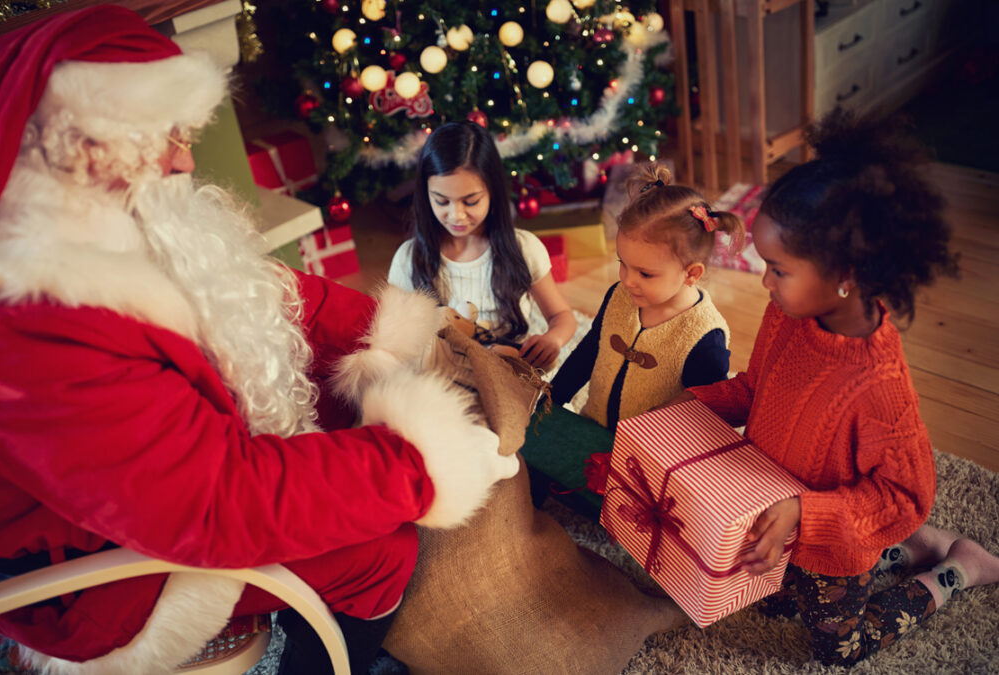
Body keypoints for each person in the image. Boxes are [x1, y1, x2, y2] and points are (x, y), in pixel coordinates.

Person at [0, 7, 518, 675]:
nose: (187, 156)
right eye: (167, 136)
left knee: (336, 416)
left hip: (125, 488)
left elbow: (257, 291)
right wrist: (424, 461)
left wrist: (393, 336)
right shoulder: (24, 331)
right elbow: (218, 501)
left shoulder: (69, 218)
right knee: (382, 549)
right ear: (86, 144)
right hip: (89, 580)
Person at [669, 109, 999, 666]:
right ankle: (899, 547)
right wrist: (690, 410)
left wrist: (805, 512)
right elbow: (758, 389)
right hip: (774, 503)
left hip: (830, 540)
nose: (764, 280)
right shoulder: (788, 315)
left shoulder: (879, 386)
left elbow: (903, 495)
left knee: (836, 648)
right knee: (764, 599)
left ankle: (958, 567)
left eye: (777, 268)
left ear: (845, 276)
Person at [549, 162, 744, 429]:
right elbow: (590, 349)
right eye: (622, 263)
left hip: (648, 455)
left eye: (645, 274)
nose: (627, 280)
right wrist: (553, 399)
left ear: (692, 274)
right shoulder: (619, 295)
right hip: (592, 426)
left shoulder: (704, 338)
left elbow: (702, 418)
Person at [387, 121, 577, 370]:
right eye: (442, 201)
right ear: (426, 195)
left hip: (510, 371)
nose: (456, 215)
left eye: (471, 201)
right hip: (444, 374)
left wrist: (553, 339)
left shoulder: (524, 248)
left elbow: (561, 316)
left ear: (493, 193)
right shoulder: (408, 258)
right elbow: (391, 330)